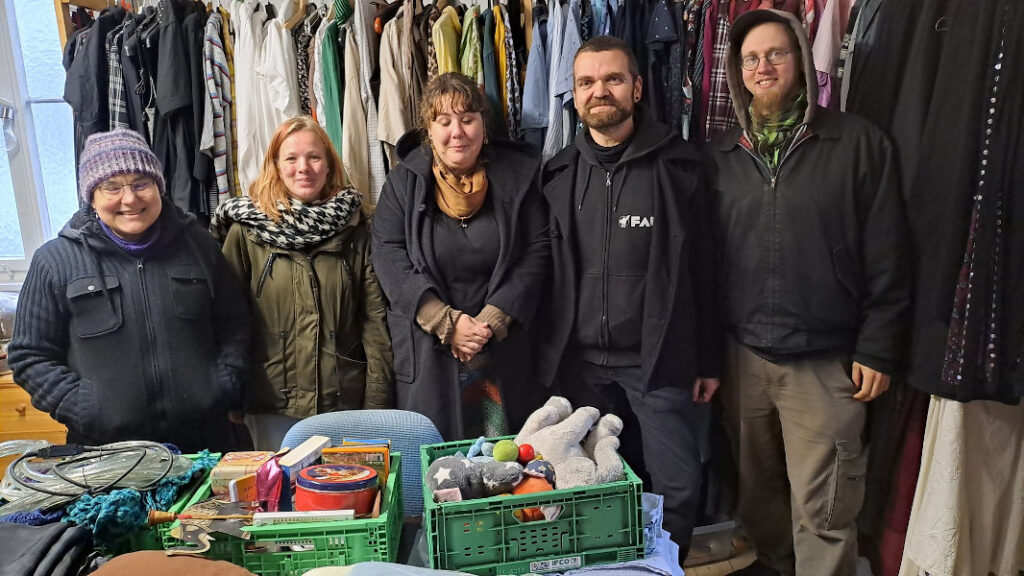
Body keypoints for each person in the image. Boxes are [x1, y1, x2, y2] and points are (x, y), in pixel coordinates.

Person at [705, 10, 911, 576]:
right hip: (743, 358)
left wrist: (878, 347)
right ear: (737, 70)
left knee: (826, 511)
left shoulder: (857, 143)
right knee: (759, 499)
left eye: (776, 53)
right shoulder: (721, 155)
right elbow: (705, 266)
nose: (763, 67)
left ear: (800, 57)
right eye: (751, 58)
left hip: (825, 362)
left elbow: (889, 255)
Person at [536, 36, 722, 561]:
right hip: (578, 364)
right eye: (586, 82)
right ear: (573, 94)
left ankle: (663, 567)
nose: (600, 91)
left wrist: (708, 359)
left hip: (656, 360)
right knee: (585, 483)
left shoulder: (682, 167)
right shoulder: (556, 174)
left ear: (637, 88)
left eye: (613, 79)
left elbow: (707, 269)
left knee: (676, 486)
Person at [8, 129, 251, 453]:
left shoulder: (200, 245)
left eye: (141, 183)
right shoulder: (55, 261)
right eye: (112, 187)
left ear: (158, 187)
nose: (130, 199)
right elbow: (29, 355)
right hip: (105, 454)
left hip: (206, 444)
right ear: (92, 196)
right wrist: (83, 407)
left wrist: (223, 384)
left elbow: (235, 324)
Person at [371, 73, 550, 441]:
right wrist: (445, 322)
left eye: (468, 119)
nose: (457, 132)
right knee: (441, 460)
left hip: (501, 345)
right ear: (429, 129)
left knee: (503, 458)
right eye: (444, 121)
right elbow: (388, 256)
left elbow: (538, 251)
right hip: (432, 349)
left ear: (483, 125)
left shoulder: (519, 178)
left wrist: (493, 319)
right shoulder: (403, 184)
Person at [213, 117, 393, 451]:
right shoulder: (246, 232)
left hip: (344, 405)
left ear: (329, 165)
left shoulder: (356, 228)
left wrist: (378, 404)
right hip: (270, 406)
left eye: (314, 157)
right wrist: (232, 396)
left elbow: (374, 323)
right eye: (291, 158)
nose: (303, 168)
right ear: (275, 166)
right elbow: (228, 322)